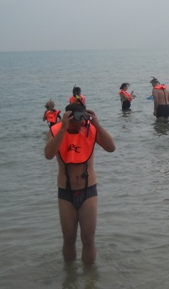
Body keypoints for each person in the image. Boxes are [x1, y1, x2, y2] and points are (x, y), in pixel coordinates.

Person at [44, 103, 116, 266]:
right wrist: (63, 129)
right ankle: (69, 280)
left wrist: (97, 124)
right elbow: (48, 154)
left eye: (83, 118)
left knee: (88, 239)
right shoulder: (55, 131)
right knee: (68, 239)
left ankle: (90, 281)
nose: (81, 122)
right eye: (77, 119)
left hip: (88, 190)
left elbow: (111, 148)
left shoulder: (91, 129)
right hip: (66, 192)